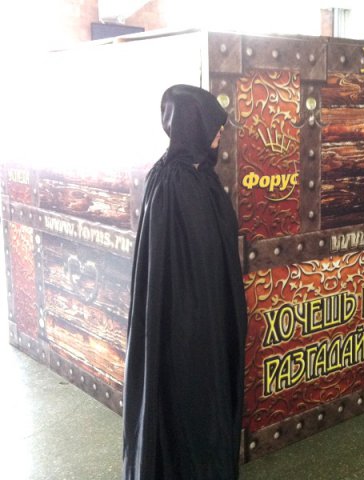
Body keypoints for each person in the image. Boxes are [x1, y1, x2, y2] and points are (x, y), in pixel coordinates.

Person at [122, 84, 248, 479]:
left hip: (205, 316)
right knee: (185, 400)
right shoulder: (171, 183)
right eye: (213, 123)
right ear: (193, 124)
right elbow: (175, 266)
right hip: (183, 325)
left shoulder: (199, 175)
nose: (219, 131)